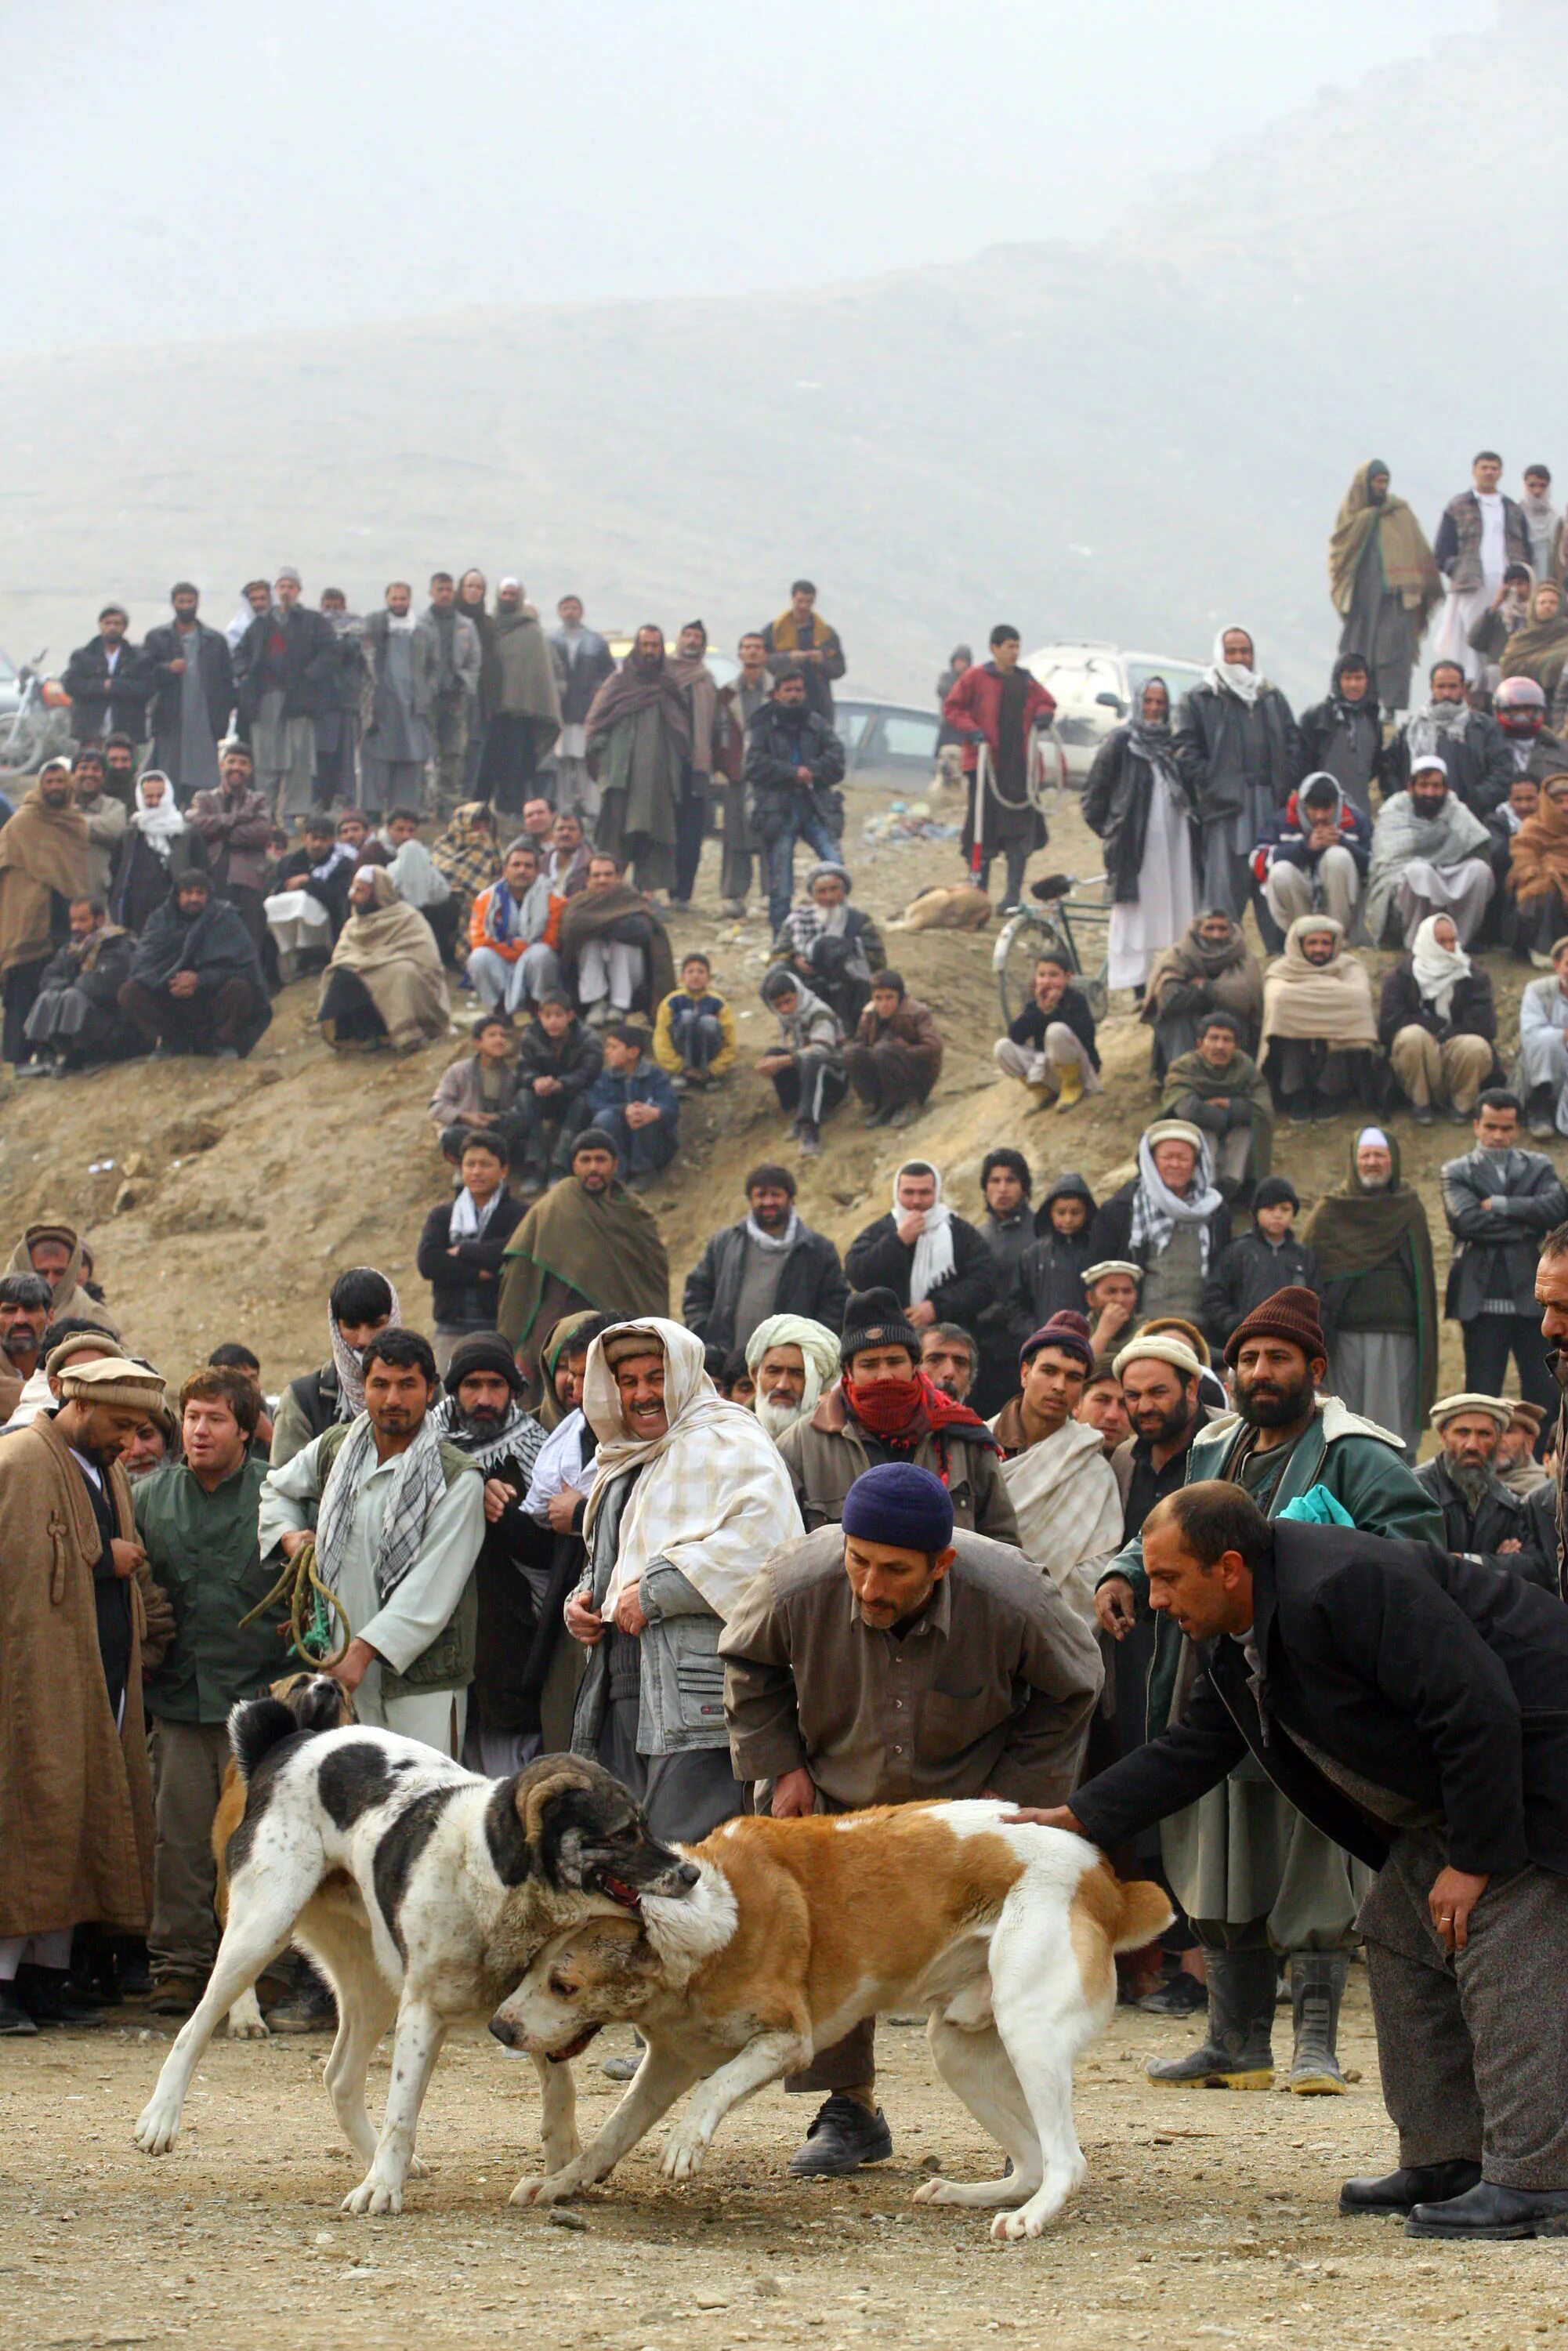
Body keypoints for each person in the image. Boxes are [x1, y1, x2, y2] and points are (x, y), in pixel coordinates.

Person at [1035, 1480, 1568, 2241]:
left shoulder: (1342, 1583)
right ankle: (1446, 2155)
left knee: (1505, 1940)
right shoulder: (1234, 1632)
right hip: (1468, 1783)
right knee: (1397, 1928)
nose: (1154, 1599)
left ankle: (1539, 2180)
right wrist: (1078, 1818)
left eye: (1166, 1578)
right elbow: (1197, 1749)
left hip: (1538, 1763)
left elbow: (1475, 1702)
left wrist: (1477, 1859)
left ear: (1226, 1567)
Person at [1088, 1291, 1442, 2099]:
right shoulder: (1216, 1447)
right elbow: (1168, 1531)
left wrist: (1327, 1552)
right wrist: (1124, 1571)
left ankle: (1313, 2045)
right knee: (1217, 1867)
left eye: (1278, 1359)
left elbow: (1418, 1551)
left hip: (1310, 1697)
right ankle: (1231, 2041)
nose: (1260, 1372)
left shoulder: (1360, 1451)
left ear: (1315, 1370)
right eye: (1247, 1359)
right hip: (1213, 1687)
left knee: (1311, 1871)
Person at [720, 1459, 1100, 2176]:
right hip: (834, 1784)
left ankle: (1030, 2121)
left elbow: (1076, 1686)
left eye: (895, 1571)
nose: (870, 1586)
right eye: (857, 1562)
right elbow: (746, 1662)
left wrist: (1014, 1792)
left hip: (965, 1801)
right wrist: (782, 1767)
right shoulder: (794, 1581)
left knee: (996, 1958)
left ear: (942, 1563)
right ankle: (848, 2107)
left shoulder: (1014, 1595)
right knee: (821, 1939)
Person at [567, 1317, 801, 1850]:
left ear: (684, 1378)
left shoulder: (731, 1439)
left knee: (687, 1854)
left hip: (693, 1695)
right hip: (617, 1688)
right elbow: (609, 1561)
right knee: (623, 1852)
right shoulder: (620, 1461)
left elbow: (766, 1548)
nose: (643, 1394)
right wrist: (581, 1602)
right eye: (629, 1382)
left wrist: (656, 1591)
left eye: (656, 1377)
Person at [0, 1353, 169, 2033]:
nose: (130, 1442)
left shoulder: (108, 1472)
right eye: (119, 1425)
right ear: (77, 1405)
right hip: (33, 1677)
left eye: (137, 1430)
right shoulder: (18, 1464)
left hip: (98, 1674)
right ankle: (4, 1981)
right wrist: (102, 1554)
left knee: (76, 1814)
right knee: (30, 1814)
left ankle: (46, 1976)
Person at [259, 1327, 486, 1760]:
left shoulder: (457, 1477)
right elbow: (276, 1490)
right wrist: (290, 1538)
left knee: (418, 1807)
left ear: (431, 1390)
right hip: (339, 1668)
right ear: (363, 1388)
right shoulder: (336, 1448)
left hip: (420, 1688)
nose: (393, 1399)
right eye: (380, 1384)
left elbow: (432, 1588)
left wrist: (361, 1653)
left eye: (407, 1385)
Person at [135, 1367, 278, 2015]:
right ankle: (178, 1967)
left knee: (265, 1845)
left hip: (260, 1709)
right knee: (181, 1840)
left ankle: (270, 1974)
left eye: (215, 1418)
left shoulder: (277, 1496)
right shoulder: (150, 1498)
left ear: (244, 1430)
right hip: (182, 1701)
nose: (198, 1430)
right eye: (191, 1416)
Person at [777, 1284, 1018, 1541]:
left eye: (895, 1362)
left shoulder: (963, 1438)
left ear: (915, 1365)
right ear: (848, 1372)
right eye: (869, 1364)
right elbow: (782, 1547)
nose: (884, 1376)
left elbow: (1002, 1541)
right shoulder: (801, 1445)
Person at [428, 1332, 552, 1777]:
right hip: (434, 1653)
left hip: (508, 1659)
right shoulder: (423, 1448)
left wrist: (503, 1516)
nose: (484, 1398)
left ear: (514, 1391)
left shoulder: (538, 1448)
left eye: (496, 1386)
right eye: (472, 1385)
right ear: (453, 1390)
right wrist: (467, 1489)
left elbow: (551, 1557)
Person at [1299, 1125, 1435, 1459]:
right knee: (1347, 1423)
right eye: (1366, 1156)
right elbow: (1308, 1273)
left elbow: (1424, 1281)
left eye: (1380, 1155)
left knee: (1393, 1425)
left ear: (1393, 1160)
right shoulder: (1331, 1211)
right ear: (1354, 1161)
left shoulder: (1409, 1208)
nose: (1373, 1162)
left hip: (1400, 1340)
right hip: (1345, 1340)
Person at [497, 1128, 670, 1390]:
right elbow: (521, 1271)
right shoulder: (558, 1203)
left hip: (619, 1335)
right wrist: (517, 1344)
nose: (593, 1168)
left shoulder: (634, 1215)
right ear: (573, 1164)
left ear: (615, 1164)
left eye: (600, 1160)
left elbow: (651, 1279)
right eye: (585, 1160)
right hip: (557, 1333)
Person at [989, 1313, 1123, 1624]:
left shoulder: (1093, 1469)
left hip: (1046, 1627)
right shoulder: (975, 1447)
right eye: (1049, 1371)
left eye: (1074, 1377)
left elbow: (1098, 1563)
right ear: (1025, 1373)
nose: (1060, 1386)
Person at [1442, 1091, 1567, 1418]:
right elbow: (1465, 1221)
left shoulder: (1538, 1166)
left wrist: (1501, 1205)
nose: (1499, 1136)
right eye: (1492, 1127)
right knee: (1482, 1397)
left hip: (1534, 1304)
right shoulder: (1456, 1170)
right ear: (1476, 1126)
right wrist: (1528, 1226)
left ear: (1517, 1128)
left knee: (1544, 1394)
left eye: (1507, 1128)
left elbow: (1556, 1209)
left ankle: (1544, 1465)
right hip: (1481, 1304)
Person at [1174, 628, 1301, 925]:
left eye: (1245, 651)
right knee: (1223, 888)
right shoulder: (1201, 698)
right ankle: (1219, 951)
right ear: (1220, 654)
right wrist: (1212, 785)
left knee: (1271, 879)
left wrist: (1285, 781)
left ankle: (1277, 955)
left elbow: (1293, 744)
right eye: (1232, 652)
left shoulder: (1270, 696)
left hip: (1269, 803)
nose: (1239, 658)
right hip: (1226, 807)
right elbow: (1184, 750)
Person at [1084, 673, 1199, 989]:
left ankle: (1169, 978)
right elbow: (1093, 797)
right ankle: (1136, 985)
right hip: (1136, 845)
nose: (1153, 709)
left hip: (1174, 842)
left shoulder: (1173, 745)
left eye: (1160, 703)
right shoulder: (1122, 743)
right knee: (1137, 912)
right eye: (1148, 701)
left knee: (1172, 905)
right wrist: (1114, 833)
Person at [940, 624, 1055, 906]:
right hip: (985, 765)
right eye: (1010, 647)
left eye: (1017, 647)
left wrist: (1042, 716)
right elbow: (953, 708)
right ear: (995, 648)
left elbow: (1047, 703)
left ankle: (1013, 895)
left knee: (1021, 831)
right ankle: (978, 892)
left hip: (1020, 770)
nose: (1015, 653)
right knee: (982, 828)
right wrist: (973, 731)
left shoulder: (1026, 682)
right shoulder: (976, 678)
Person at [683, 1165, 848, 1358]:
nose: (768, 1201)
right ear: (750, 1200)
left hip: (789, 1367)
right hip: (727, 1362)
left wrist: (810, 1346)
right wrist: (704, 1335)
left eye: (775, 1195)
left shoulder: (817, 1249)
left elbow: (836, 1303)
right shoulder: (724, 1243)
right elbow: (697, 1292)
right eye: (761, 1195)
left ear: (790, 1199)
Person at [118, 868, 270, 1060]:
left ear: (208, 895)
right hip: (171, 997)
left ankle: (221, 1042)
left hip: (213, 998)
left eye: (200, 893)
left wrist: (200, 980)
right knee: (130, 991)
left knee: (241, 988)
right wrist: (173, 981)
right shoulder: (160, 920)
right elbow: (143, 966)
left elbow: (245, 967)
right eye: (188, 893)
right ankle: (172, 1041)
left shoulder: (225, 918)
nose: (194, 899)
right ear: (177, 895)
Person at [1089, 1121, 1233, 1324]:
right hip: (1140, 1329)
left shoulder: (1216, 1211)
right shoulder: (1122, 1209)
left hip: (1202, 1328)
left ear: (1196, 1163)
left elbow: (1223, 1274)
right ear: (1151, 1161)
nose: (1174, 1164)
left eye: (1183, 1158)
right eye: (1167, 1157)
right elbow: (1099, 1274)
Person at [1327, 462, 1442, 715]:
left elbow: (1419, 552)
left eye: (1384, 481)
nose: (1381, 487)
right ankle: (1353, 707)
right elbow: (1340, 555)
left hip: (1396, 600)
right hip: (1362, 601)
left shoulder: (1399, 513)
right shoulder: (1351, 517)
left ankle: (1389, 711)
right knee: (1356, 652)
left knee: (1393, 653)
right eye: (1376, 482)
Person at [583, 625, 687, 894]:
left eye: (655, 645)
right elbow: (595, 726)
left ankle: (647, 895)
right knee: (616, 836)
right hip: (622, 778)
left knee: (654, 836)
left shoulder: (668, 685)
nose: (650, 651)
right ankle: (610, 891)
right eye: (646, 645)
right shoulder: (619, 683)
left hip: (658, 780)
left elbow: (682, 730)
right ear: (637, 647)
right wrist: (609, 754)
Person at [1414, 1394, 1555, 1590]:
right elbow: (1422, 1564)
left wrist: (1470, 1560)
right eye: (1463, 1433)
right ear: (1444, 1437)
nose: (1472, 1445)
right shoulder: (1418, 1491)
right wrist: (1498, 1563)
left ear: (1497, 1439)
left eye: (1484, 1434)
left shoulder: (1506, 1501)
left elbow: (1535, 1566)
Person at [746, 664, 848, 933]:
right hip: (778, 811)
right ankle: (781, 942)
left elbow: (837, 761)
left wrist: (812, 772)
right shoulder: (762, 725)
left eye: (799, 690)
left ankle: (837, 931)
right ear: (776, 693)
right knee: (781, 886)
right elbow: (754, 765)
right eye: (788, 690)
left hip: (815, 807)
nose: (794, 695)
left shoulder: (816, 724)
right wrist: (792, 773)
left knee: (836, 868)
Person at [0, 762, 89, 1065]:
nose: (54, 787)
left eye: (60, 781)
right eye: (49, 781)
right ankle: (19, 1057)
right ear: (40, 785)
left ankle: (52, 1051)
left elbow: (76, 869)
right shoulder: (22, 822)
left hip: (66, 914)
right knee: (24, 984)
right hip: (29, 917)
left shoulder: (74, 822)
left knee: (59, 983)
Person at [415, 1132, 526, 1375]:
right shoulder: (442, 1216)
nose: (477, 1171)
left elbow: (513, 1251)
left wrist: (463, 1251)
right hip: (450, 1327)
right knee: (446, 1401)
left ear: (504, 1169)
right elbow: (429, 1262)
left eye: (485, 1164)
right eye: (470, 1164)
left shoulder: (520, 1214)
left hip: (501, 1327)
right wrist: (479, 1273)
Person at [846, 1160, 997, 1335]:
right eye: (909, 1192)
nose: (916, 1201)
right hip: (890, 1338)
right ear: (897, 1193)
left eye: (924, 1193)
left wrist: (937, 1307)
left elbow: (985, 1282)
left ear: (936, 1192)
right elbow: (856, 1274)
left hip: (950, 1339)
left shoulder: (959, 1232)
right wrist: (898, 1241)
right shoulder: (881, 1230)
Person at [234, 570, 337, 823]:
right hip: (265, 697)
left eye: (291, 586)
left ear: (298, 590)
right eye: (282, 586)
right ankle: (263, 813)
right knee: (265, 758)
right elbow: (240, 654)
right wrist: (246, 673)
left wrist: (310, 676)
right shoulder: (260, 624)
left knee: (298, 759)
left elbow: (330, 652)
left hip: (299, 699)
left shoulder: (313, 621)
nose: (286, 591)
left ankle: (292, 814)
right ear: (276, 591)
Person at [1379, 912, 1501, 1125]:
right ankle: (1420, 1103)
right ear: (1426, 942)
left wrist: (1445, 1034)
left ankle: (1462, 1106)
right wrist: (1434, 1028)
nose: (1448, 947)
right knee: (1411, 1037)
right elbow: (1390, 1025)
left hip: (1457, 1047)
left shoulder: (1472, 975)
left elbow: (1485, 1025)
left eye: (1452, 940)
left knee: (1476, 1046)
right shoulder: (1402, 976)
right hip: (1420, 1052)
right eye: (1441, 941)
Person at [270, 1266, 398, 1465]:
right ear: (336, 1327)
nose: (364, 1339)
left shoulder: (425, 1391)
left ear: (393, 1320)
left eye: (375, 1325)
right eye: (351, 1327)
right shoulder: (303, 1400)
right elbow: (284, 1489)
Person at [1365, 754, 1495, 947]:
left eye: (1436, 786)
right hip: (1402, 889)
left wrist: (1442, 873)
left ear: (1446, 788)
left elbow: (1478, 849)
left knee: (1479, 871)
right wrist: (1429, 871)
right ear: (1411, 787)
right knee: (1419, 872)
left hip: (1446, 878)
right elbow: (1386, 863)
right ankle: (1417, 944)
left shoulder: (1456, 811)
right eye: (1423, 786)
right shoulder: (1394, 811)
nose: (1429, 792)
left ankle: (1457, 942)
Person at [316, 867, 451, 1053]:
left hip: (402, 972)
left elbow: (426, 961)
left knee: (402, 972)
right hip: (368, 969)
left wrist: (374, 961)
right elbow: (342, 955)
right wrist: (366, 963)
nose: (352, 896)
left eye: (360, 891)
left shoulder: (407, 917)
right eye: (353, 889)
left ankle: (405, 1034)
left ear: (377, 893)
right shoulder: (354, 923)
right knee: (341, 974)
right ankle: (360, 1035)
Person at [1260, 914, 1377, 1125]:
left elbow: (1358, 999)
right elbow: (1280, 999)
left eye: (1325, 943)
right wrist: (1331, 999)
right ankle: (1297, 1095)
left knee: (1343, 1030)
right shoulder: (1281, 970)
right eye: (1312, 943)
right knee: (1290, 1029)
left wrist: (1308, 1000)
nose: (1319, 949)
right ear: (1299, 945)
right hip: (1292, 1044)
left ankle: (1329, 1093)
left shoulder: (1349, 967)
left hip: (1337, 1044)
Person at [1431, 451, 1531, 686]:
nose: (1489, 472)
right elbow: (1442, 549)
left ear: (1501, 472)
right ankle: (1470, 687)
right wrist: (1455, 568)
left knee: (1503, 636)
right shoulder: (1458, 506)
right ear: (1475, 471)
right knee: (1472, 637)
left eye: (1494, 468)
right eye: (1484, 467)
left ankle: (1498, 689)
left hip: (1507, 584)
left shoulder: (1513, 509)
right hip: (1471, 583)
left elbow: (1525, 545)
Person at [18, 894, 138, 1077]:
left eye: (82, 920)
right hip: (87, 1017)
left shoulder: (117, 945)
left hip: (117, 1028)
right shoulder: (71, 949)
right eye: (73, 921)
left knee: (72, 997)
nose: (75, 927)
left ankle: (94, 1053)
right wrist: (67, 984)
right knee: (49, 997)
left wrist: (70, 985)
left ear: (99, 919)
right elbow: (48, 979)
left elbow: (101, 987)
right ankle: (68, 1054)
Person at [1160, 1009, 1273, 1194]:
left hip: (1235, 1137)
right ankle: (1205, 1185)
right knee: (1201, 1129)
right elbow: (1187, 1110)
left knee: (1247, 1130)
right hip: (1199, 1136)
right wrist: (1228, 1115)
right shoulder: (1184, 1068)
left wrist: (1229, 1106)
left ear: (1236, 1046)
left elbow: (1262, 1109)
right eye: (1213, 1038)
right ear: (1200, 1043)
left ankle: (1233, 1185)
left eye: (1227, 1040)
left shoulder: (1246, 1069)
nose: (1220, 1046)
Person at [557, 850, 676, 1026]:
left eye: (608, 875)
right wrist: (609, 925)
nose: (602, 880)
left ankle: (618, 1005)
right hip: (590, 973)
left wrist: (596, 926)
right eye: (596, 875)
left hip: (632, 977)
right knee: (589, 943)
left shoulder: (632, 900)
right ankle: (596, 1003)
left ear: (619, 878)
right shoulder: (578, 904)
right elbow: (571, 928)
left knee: (620, 943)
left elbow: (641, 931)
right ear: (588, 880)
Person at [1142, 908, 1263, 1078]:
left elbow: (1246, 999)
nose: (1216, 935)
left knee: (1228, 1015)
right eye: (1210, 928)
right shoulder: (1179, 955)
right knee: (1179, 1019)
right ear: (1197, 931)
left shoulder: (1244, 958)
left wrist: (1205, 987)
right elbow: (1170, 999)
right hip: (1187, 1025)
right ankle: (1184, 1078)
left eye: (1222, 929)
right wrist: (1219, 994)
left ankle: (1236, 1077)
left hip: (1232, 1022)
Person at [1251, 770, 1371, 941]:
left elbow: (1374, 868)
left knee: (1338, 856)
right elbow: (1257, 863)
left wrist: (1343, 843)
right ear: (1303, 806)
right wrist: (1305, 847)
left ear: (1337, 805)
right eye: (1314, 809)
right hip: (1300, 900)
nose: (1320, 816)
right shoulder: (1282, 820)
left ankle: (1336, 938)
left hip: (1345, 904)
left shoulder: (1356, 821)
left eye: (1327, 808)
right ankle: (1306, 938)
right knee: (1280, 872)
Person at [1204, 1177, 1320, 1350]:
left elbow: (1318, 1301)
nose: (1278, 1215)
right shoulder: (1238, 1251)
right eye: (1270, 1208)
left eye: (1285, 1209)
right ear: (1256, 1211)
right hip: (1244, 1343)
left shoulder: (1303, 1257)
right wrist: (1233, 1322)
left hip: (1292, 1344)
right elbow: (1214, 1295)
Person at [1387, 659, 1514, 817]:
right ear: (1432, 688)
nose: (1447, 693)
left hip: (1471, 818)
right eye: (1441, 687)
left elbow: (1502, 771)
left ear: (1462, 688)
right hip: (1418, 817)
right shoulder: (1410, 729)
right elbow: (1389, 769)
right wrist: (1407, 800)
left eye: (1452, 687)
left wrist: (1475, 801)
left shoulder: (1484, 728)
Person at [143, 584, 234, 804]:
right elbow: (144, 676)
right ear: (173, 604)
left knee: (204, 778)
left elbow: (227, 683)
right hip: (170, 719)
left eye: (190, 601)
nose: (186, 606)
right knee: (170, 774)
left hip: (205, 720)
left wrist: (221, 719)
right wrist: (167, 668)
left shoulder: (215, 640)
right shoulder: (157, 638)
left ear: (197, 603)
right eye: (181, 601)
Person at [506, 992, 604, 1194]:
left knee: (583, 1100)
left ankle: (560, 1164)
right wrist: (535, 1081)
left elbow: (589, 1074)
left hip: (573, 1096)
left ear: (569, 1016)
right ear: (540, 1017)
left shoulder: (588, 1038)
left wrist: (561, 1084)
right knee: (524, 1097)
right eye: (547, 1016)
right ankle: (536, 1165)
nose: (553, 1022)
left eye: (558, 1015)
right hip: (545, 1096)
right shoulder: (531, 1036)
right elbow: (523, 1069)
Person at [772, 860, 885, 1034]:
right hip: (809, 984)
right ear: (813, 894)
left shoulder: (858, 920)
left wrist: (846, 955)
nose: (829, 897)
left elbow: (877, 960)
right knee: (776, 972)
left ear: (844, 891)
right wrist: (795, 957)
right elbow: (778, 952)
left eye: (834, 889)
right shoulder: (798, 920)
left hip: (849, 987)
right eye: (822, 891)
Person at [359, 583, 437, 817]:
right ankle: (371, 810)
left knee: (411, 760)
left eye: (403, 598)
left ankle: (403, 812)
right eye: (395, 598)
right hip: (380, 707)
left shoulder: (422, 631)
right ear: (387, 599)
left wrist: (426, 692)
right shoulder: (374, 626)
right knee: (375, 760)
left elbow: (434, 666)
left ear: (410, 600)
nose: (399, 602)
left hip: (413, 709)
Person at [992, 947, 1101, 1114]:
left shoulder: (1075, 1000)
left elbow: (1086, 1035)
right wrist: (1039, 1010)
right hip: (1048, 1071)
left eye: (1053, 975)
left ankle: (1073, 1087)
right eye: (1042, 975)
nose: (1047, 981)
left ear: (1068, 977)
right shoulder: (1034, 1004)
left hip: (1080, 1073)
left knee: (1056, 1031)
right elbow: (1016, 1035)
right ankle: (1043, 1091)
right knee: (1002, 1048)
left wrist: (1054, 1012)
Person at [972, 1149, 1037, 1418]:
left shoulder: (1040, 1231)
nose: (1002, 1188)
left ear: (1023, 1187)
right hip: (984, 1351)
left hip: (1025, 1347)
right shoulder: (977, 1236)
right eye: (995, 1181)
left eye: (1010, 1180)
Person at [755, 964, 847, 1157]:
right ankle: (797, 1111)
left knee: (810, 1059)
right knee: (773, 1053)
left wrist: (782, 1061)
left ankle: (810, 1129)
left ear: (798, 993)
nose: (785, 1008)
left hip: (833, 1078)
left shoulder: (819, 1012)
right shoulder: (789, 1018)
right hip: (808, 1074)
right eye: (779, 1005)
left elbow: (822, 1049)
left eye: (789, 1001)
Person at [465, 837, 562, 1016]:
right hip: (502, 963)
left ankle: (537, 1008)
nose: (522, 870)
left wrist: (511, 947)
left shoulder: (553, 898)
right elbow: (480, 942)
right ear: (505, 870)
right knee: (478, 958)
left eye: (528, 866)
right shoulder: (487, 899)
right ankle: (500, 1010)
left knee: (542, 953)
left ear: (537, 871)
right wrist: (519, 948)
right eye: (516, 865)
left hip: (535, 964)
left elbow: (551, 942)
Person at [714, 632, 771, 914]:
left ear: (765, 654)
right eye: (746, 648)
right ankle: (735, 896)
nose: (751, 653)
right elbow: (716, 733)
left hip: (769, 775)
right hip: (735, 772)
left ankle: (772, 895)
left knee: (770, 832)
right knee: (735, 834)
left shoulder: (777, 692)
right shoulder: (726, 694)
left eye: (757, 648)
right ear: (739, 654)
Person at [843, 968, 943, 1130]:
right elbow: (859, 1044)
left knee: (883, 1050)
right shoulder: (869, 1015)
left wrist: (905, 1051)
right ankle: (880, 1103)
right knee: (851, 1053)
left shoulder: (917, 1012)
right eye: (878, 998)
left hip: (915, 1076)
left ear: (900, 996)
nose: (883, 1004)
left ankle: (908, 1103)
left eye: (889, 998)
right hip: (884, 1071)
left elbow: (934, 1046)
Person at [585, 1023, 680, 1186]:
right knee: (604, 1119)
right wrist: (623, 1111)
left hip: (653, 1146)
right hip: (621, 1141)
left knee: (642, 1115)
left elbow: (672, 1107)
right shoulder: (605, 1078)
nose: (608, 1052)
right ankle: (618, 1174)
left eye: (614, 1047)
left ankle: (644, 1171)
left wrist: (654, 1112)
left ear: (633, 1052)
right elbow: (595, 1104)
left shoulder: (655, 1076)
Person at [549, 595, 615, 824]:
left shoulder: (595, 642)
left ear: (582, 612)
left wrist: (598, 689)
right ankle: (564, 808)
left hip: (587, 712)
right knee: (563, 761)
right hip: (560, 712)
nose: (570, 612)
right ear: (560, 612)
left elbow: (609, 671)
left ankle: (591, 808)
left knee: (586, 761)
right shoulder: (551, 640)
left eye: (574, 608)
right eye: (566, 608)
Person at [114, 770, 207, 933]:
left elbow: (202, 870)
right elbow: (117, 871)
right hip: (137, 914)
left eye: (160, 796)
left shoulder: (186, 832)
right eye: (149, 797)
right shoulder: (131, 834)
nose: (155, 801)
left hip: (176, 913)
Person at [262, 813, 354, 977]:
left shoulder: (342, 864)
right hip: (285, 932)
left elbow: (338, 899)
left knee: (303, 902)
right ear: (305, 838)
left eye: (323, 839)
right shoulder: (289, 862)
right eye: (314, 838)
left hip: (326, 929)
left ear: (332, 840)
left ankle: (312, 957)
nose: (318, 844)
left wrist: (308, 882)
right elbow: (271, 890)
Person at [420, 574, 482, 819]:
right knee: (426, 751)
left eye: (448, 589)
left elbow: (475, 658)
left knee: (454, 751)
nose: (445, 594)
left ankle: (448, 802)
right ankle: (424, 803)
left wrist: (467, 681)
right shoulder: (421, 623)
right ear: (431, 592)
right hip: (429, 696)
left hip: (455, 695)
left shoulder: (465, 625)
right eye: (440, 589)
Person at [429, 1012, 523, 1167]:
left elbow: (516, 1111)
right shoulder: (458, 1071)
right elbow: (435, 1107)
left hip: (495, 1134)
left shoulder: (511, 1077)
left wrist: (495, 1117)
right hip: (467, 1132)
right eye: (492, 1035)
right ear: (477, 1043)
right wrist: (466, 1116)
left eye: (502, 1035)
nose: (500, 1040)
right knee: (452, 1136)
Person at [62, 605, 153, 749]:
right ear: (100, 625)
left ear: (124, 627)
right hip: (90, 730)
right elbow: (71, 684)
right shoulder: (83, 655)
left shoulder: (138, 657)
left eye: (117, 624)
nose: (112, 627)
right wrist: (101, 687)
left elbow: (147, 688)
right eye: (108, 623)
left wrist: (116, 686)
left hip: (127, 730)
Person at [5, 1219, 118, 1334]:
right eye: (42, 1273)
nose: (50, 1281)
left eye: (59, 1273)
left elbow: (120, 1350)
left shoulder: (90, 1313)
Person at [1016, 1172, 1099, 1328]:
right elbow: (1017, 1305)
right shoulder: (1033, 1256)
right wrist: (1034, 1331)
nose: (1068, 1219)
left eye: (1075, 1213)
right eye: (1061, 1213)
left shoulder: (1098, 1251)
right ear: (1050, 1213)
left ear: (1086, 1213)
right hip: (1045, 1339)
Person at [745, 1313, 842, 1443]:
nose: (783, 1385)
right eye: (774, 1371)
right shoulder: (729, 1432)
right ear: (755, 1376)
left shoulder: (830, 1445)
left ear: (816, 1385)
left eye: (797, 1374)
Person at [761, 580, 846, 725]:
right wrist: (788, 658)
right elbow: (762, 661)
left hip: (818, 705)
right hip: (782, 704)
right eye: (800, 601)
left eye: (809, 602)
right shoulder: (774, 631)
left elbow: (839, 669)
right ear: (792, 599)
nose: (804, 606)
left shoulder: (826, 634)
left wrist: (822, 662)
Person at [652, 950, 737, 1092]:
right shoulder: (671, 1002)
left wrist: (714, 1069)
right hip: (680, 1057)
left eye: (701, 971)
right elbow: (661, 1039)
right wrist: (677, 1066)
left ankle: (708, 1076)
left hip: (709, 1058)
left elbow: (729, 1042)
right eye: (690, 971)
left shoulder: (718, 1003)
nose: (695, 975)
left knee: (708, 1023)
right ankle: (683, 1073)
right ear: (682, 978)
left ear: (709, 978)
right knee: (686, 1017)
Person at [1508, 770, 1568, 963]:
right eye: (1558, 801)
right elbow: (1524, 859)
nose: (1565, 807)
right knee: (1544, 887)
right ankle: (1543, 949)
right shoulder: (1533, 827)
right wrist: (1551, 870)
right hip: (1544, 890)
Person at [430, 797, 501, 947]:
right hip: (450, 909)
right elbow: (445, 872)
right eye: (476, 825)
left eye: (485, 824)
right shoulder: (444, 845)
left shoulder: (495, 850)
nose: (481, 831)